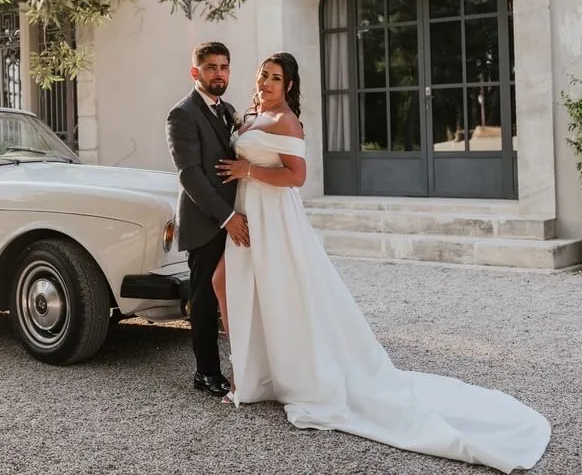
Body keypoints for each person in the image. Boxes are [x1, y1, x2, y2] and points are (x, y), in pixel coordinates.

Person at [212, 52, 552, 475]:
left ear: (289, 86)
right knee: (232, 284)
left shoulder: (286, 122)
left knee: (278, 293)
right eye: (263, 74)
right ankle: (250, 370)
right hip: (249, 213)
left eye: (275, 78)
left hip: (275, 219)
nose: (265, 82)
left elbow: (296, 177)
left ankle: (277, 374)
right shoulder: (252, 114)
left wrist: (248, 168)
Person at [166, 42, 250, 398]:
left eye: (224, 67)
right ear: (195, 72)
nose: (219, 73)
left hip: (237, 215)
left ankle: (245, 364)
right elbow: (190, 174)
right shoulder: (182, 114)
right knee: (203, 299)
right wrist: (227, 217)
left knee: (234, 290)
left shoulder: (228, 109)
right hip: (206, 220)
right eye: (211, 67)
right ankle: (206, 372)